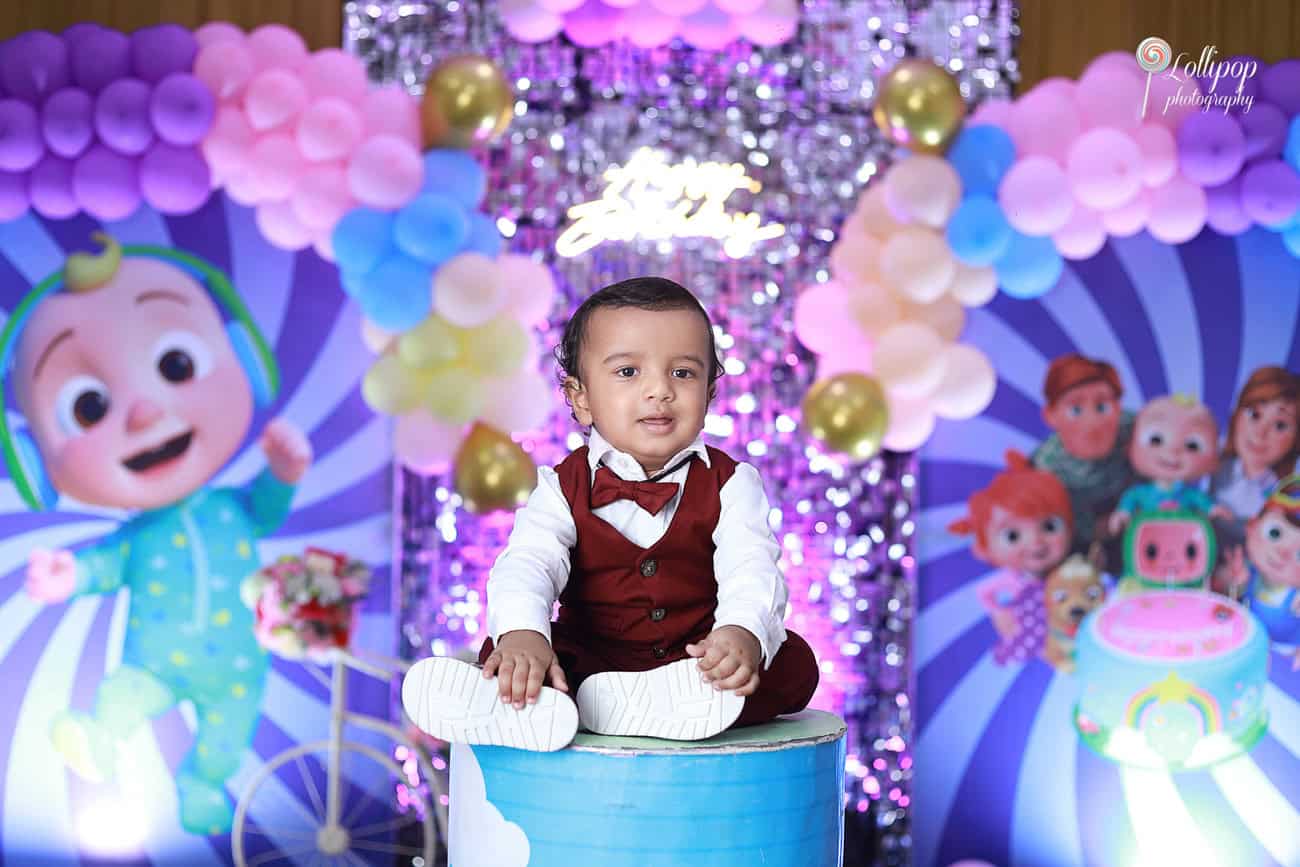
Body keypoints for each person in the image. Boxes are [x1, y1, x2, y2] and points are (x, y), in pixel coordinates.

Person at [402, 277, 819, 751]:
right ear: (580, 397)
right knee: (509, 650)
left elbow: (752, 566)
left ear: (710, 393)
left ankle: (598, 709)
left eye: (682, 373)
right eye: (627, 373)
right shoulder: (560, 486)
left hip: (695, 661)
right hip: (595, 655)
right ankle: (532, 701)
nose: (659, 390)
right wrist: (522, 634)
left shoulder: (733, 482)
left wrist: (739, 632)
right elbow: (529, 563)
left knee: (792, 663)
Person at [15, 234, 311, 835]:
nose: (145, 415)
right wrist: (68, 576)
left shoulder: (233, 508)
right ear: (32, 460)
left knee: (226, 743)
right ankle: (96, 737)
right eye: (89, 406)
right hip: (152, 662)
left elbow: (267, 509)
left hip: (237, 668)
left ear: (243, 362)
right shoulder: (136, 536)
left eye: (176, 366)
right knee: (119, 697)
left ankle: (200, 783)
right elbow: (102, 566)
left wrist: (283, 473)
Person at [948, 450, 1075, 665]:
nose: (1036, 542)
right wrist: (1000, 614)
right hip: (1028, 648)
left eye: (1049, 526)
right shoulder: (1009, 582)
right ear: (986, 546)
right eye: (1013, 536)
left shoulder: (1070, 574)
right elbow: (985, 594)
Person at [1031, 353, 1136, 558]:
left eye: (1102, 407)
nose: (1092, 423)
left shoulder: (1134, 430)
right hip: (1077, 550)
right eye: (1076, 409)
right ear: (1051, 415)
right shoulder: (1047, 466)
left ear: (1118, 407)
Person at [1107, 395, 1231, 535]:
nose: (1173, 452)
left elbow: (1201, 500)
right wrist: (1123, 513)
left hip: (1183, 542)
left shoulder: (1188, 494)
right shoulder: (1141, 493)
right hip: (1147, 542)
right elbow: (1130, 500)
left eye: (1192, 446)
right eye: (1156, 440)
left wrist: (1213, 509)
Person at [1210, 366, 1299, 550]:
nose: (1260, 432)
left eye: (1280, 425)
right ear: (1236, 416)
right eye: (1254, 414)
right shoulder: (1214, 467)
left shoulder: (1285, 495)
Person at [1221, 475, 1300, 669]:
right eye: (1275, 533)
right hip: (1247, 647)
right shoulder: (1251, 572)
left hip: (1285, 658)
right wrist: (1235, 584)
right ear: (1252, 526)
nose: (1282, 553)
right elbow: (1233, 601)